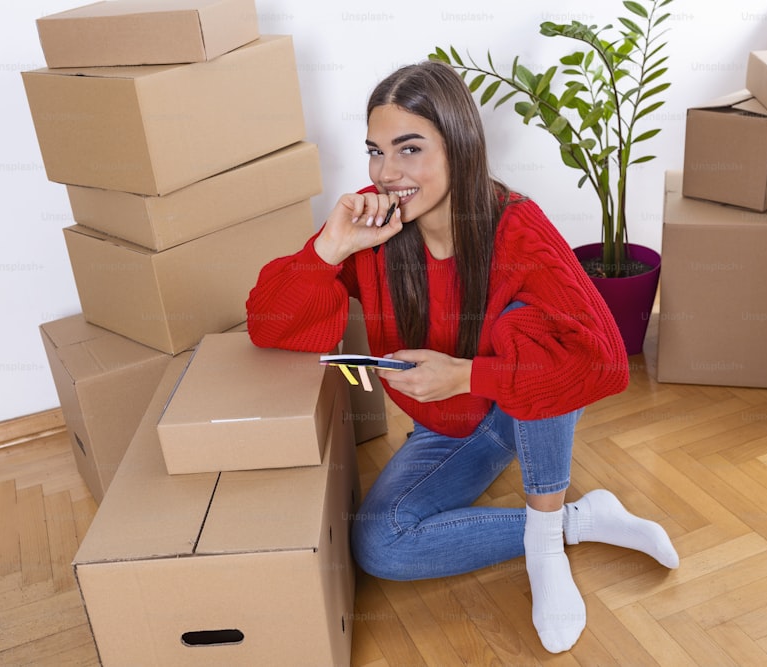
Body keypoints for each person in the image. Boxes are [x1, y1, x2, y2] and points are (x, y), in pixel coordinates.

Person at [246, 60, 679, 654]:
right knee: (380, 545)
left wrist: (470, 374)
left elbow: (602, 361)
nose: (387, 172)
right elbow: (268, 325)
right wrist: (329, 248)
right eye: (375, 152)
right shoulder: (374, 221)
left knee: (525, 325)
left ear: (459, 147)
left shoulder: (516, 227)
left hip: (516, 406)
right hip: (448, 430)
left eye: (410, 149)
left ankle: (546, 542)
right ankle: (583, 520)